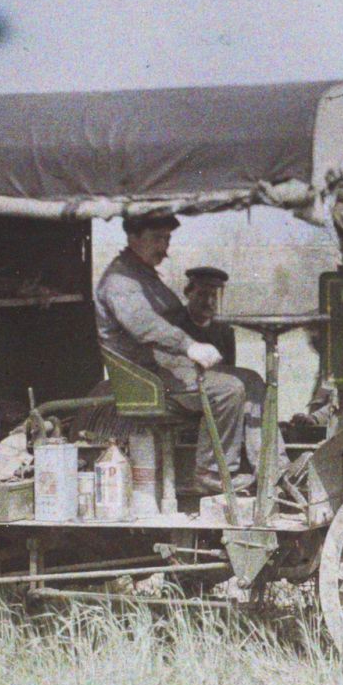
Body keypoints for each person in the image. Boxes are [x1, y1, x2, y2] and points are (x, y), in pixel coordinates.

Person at [93, 209, 253, 491]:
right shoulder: (121, 281)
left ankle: (274, 470)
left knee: (252, 381)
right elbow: (144, 325)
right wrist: (190, 346)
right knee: (229, 389)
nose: (164, 248)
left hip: (168, 370)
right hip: (148, 378)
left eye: (167, 239)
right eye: (157, 238)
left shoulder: (145, 276)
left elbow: (176, 318)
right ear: (132, 237)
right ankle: (211, 473)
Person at [182, 265, 268, 473]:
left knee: (253, 381)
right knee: (232, 388)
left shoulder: (223, 330)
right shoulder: (175, 325)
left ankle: (270, 466)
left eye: (214, 295)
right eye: (202, 294)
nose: (209, 301)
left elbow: (229, 370)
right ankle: (216, 471)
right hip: (183, 390)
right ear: (188, 293)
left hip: (216, 392)